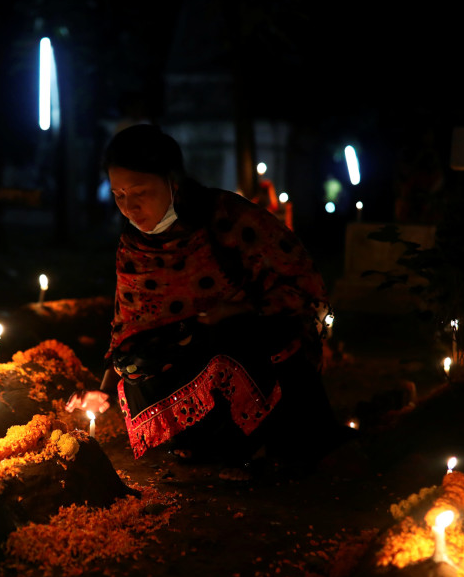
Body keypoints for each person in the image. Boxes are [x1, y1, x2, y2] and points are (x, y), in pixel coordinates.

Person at [67, 124, 344, 478]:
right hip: (187, 353)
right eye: (119, 194)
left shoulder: (228, 219)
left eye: (140, 192)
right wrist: (103, 389)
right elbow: (128, 324)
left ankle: (265, 443)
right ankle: (200, 443)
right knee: (135, 364)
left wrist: (239, 309)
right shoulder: (134, 248)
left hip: (249, 341)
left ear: (173, 181)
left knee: (233, 336)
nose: (129, 206)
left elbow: (300, 286)